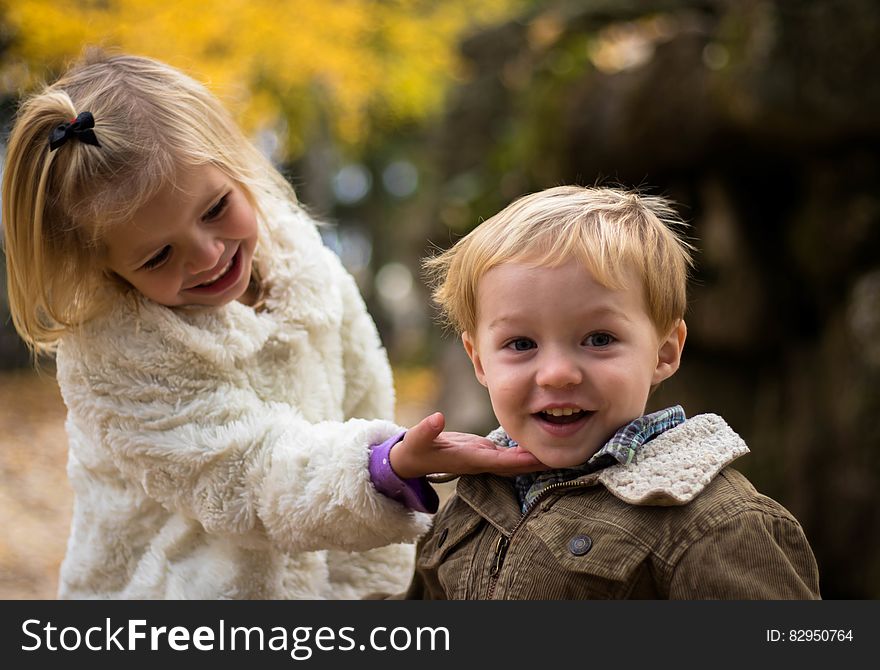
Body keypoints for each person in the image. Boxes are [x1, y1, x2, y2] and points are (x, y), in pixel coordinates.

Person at [1, 49, 540, 599]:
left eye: (214, 209)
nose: (208, 255)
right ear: (105, 267)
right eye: (158, 256)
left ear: (237, 166)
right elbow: (243, 478)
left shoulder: (302, 265)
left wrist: (372, 578)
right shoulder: (114, 352)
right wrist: (382, 468)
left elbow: (362, 395)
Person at [404, 185, 821, 599]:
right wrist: (383, 470)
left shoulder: (714, 524)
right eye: (521, 344)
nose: (557, 375)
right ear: (479, 361)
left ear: (664, 351)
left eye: (599, 339)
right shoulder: (470, 504)